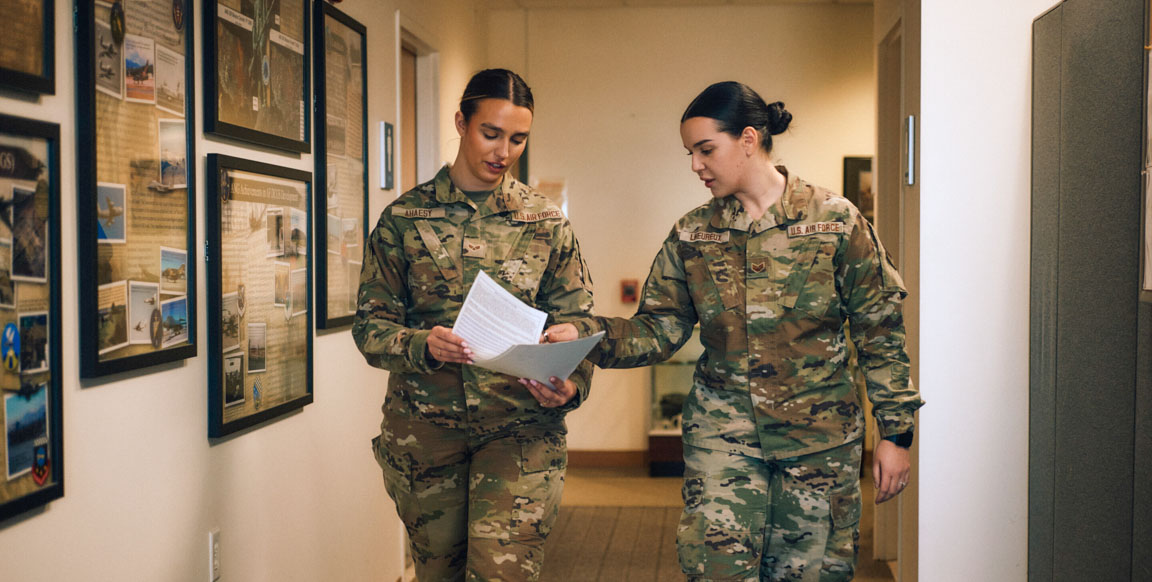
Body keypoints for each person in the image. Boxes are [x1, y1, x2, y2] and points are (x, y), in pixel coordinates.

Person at [531, 81, 924, 581]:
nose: (695, 165)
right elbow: (659, 328)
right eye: (690, 153)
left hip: (818, 446)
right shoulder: (694, 234)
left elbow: (879, 333)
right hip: (724, 441)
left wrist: (896, 433)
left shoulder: (834, 222)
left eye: (705, 150)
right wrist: (586, 336)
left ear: (748, 139)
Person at [352, 68, 595, 581]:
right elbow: (370, 327)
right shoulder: (404, 219)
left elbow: (578, 320)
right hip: (426, 436)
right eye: (491, 134)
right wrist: (422, 344)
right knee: (439, 573)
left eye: (518, 139)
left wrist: (570, 383)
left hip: (520, 430)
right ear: (461, 122)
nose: (503, 151)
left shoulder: (546, 223)